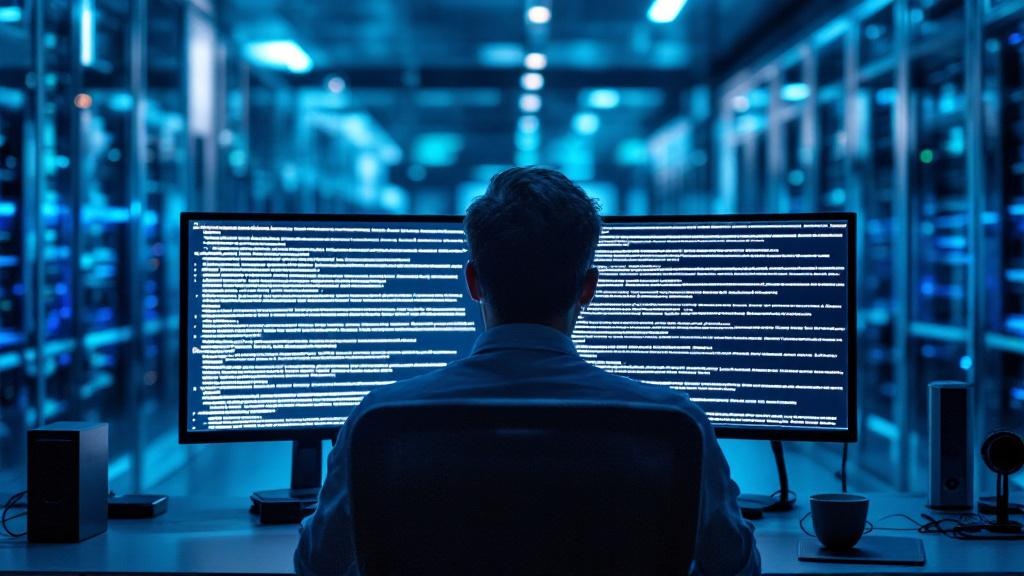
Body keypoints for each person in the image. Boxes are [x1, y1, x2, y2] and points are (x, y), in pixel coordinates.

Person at [294, 166, 761, 576]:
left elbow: (319, 563)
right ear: (588, 288)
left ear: (473, 281)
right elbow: (734, 564)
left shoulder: (382, 418)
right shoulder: (674, 422)